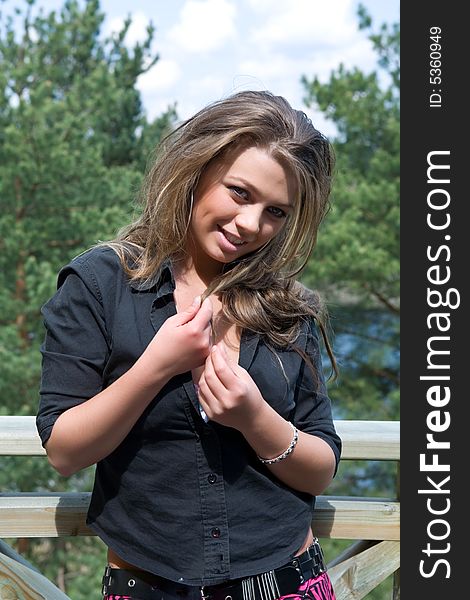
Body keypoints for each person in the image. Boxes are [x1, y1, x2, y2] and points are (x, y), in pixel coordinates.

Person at [36, 90, 342, 600]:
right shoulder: (101, 283)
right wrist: (156, 365)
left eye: (276, 213)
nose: (251, 224)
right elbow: (65, 451)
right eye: (239, 193)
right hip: (146, 585)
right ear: (196, 169)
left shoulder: (288, 307)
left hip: (285, 580)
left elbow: (320, 466)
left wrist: (253, 418)